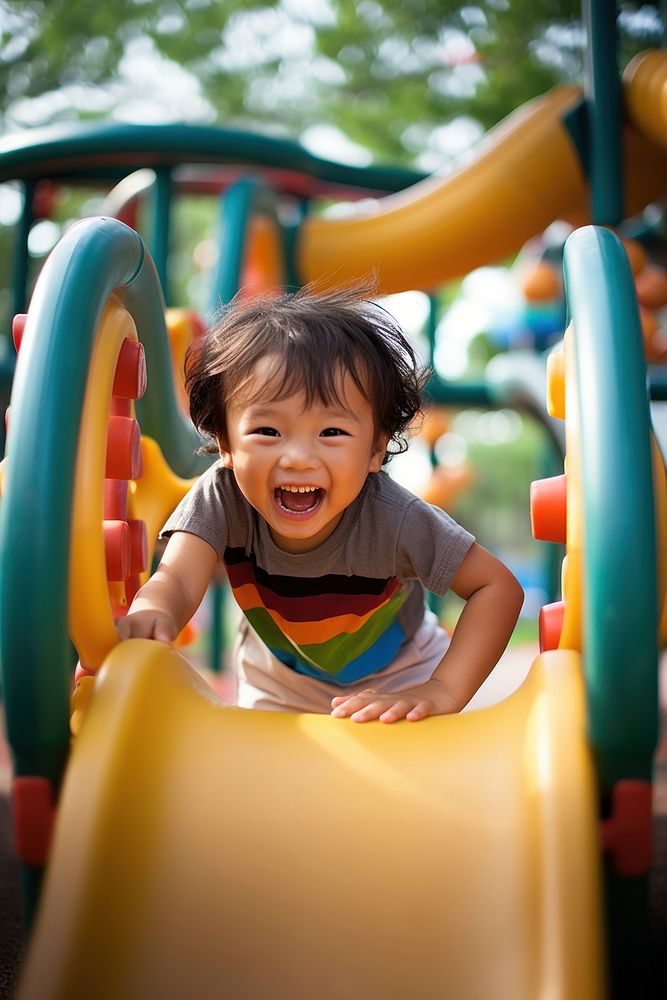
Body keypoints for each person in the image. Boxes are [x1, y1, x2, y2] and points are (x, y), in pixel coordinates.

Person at [117, 284, 523, 722]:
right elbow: (176, 578)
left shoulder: (393, 516)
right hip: (279, 677)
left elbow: (495, 587)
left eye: (331, 432)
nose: (297, 458)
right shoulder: (223, 496)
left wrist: (443, 688)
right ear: (225, 445)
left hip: (401, 670)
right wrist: (153, 611)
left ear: (375, 450)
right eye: (268, 432)